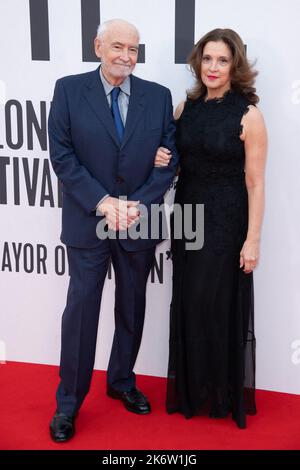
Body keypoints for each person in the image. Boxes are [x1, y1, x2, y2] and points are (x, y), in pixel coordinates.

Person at [48, 18, 178, 442]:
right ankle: (68, 403)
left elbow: (170, 158)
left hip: (137, 222)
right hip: (89, 222)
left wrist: (136, 204)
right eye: (118, 46)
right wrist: (104, 202)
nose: (126, 56)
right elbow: (63, 156)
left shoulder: (158, 98)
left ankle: (122, 380)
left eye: (134, 50)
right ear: (98, 46)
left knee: (132, 307)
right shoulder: (68, 90)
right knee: (81, 313)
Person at [155, 28, 267, 429]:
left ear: (235, 65)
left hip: (226, 219)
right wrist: (160, 156)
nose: (213, 67)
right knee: (188, 300)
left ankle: (221, 392)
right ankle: (193, 389)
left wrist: (252, 239)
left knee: (217, 302)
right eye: (207, 59)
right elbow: (175, 163)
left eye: (222, 60)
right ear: (198, 62)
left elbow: (255, 183)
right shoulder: (187, 108)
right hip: (188, 215)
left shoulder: (249, 115)